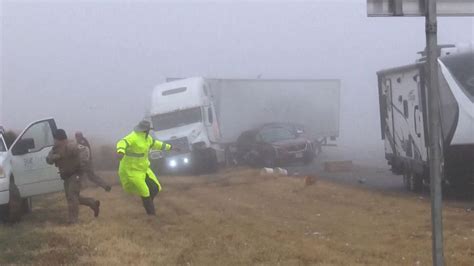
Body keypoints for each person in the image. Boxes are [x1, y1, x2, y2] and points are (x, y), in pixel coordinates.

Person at [116, 120, 174, 215]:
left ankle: (147, 202)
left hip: (144, 169)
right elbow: (122, 142)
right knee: (145, 191)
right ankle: (151, 214)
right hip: (132, 170)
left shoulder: (148, 139)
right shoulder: (133, 137)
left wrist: (170, 147)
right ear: (146, 130)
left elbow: (157, 144)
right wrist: (120, 151)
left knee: (155, 188)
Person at [47, 129, 100, 224]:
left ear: (59, 139)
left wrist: (83, 165)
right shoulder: (55, 149)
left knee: (72, 196)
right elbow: (48, 160)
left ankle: (73, 221)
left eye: (55, 139)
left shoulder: (71, 145)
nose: (54, 141)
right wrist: (55, 157)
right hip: (66, 177)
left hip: (75, 175)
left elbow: (84, 150)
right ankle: (92, 203)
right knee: (72, 197)